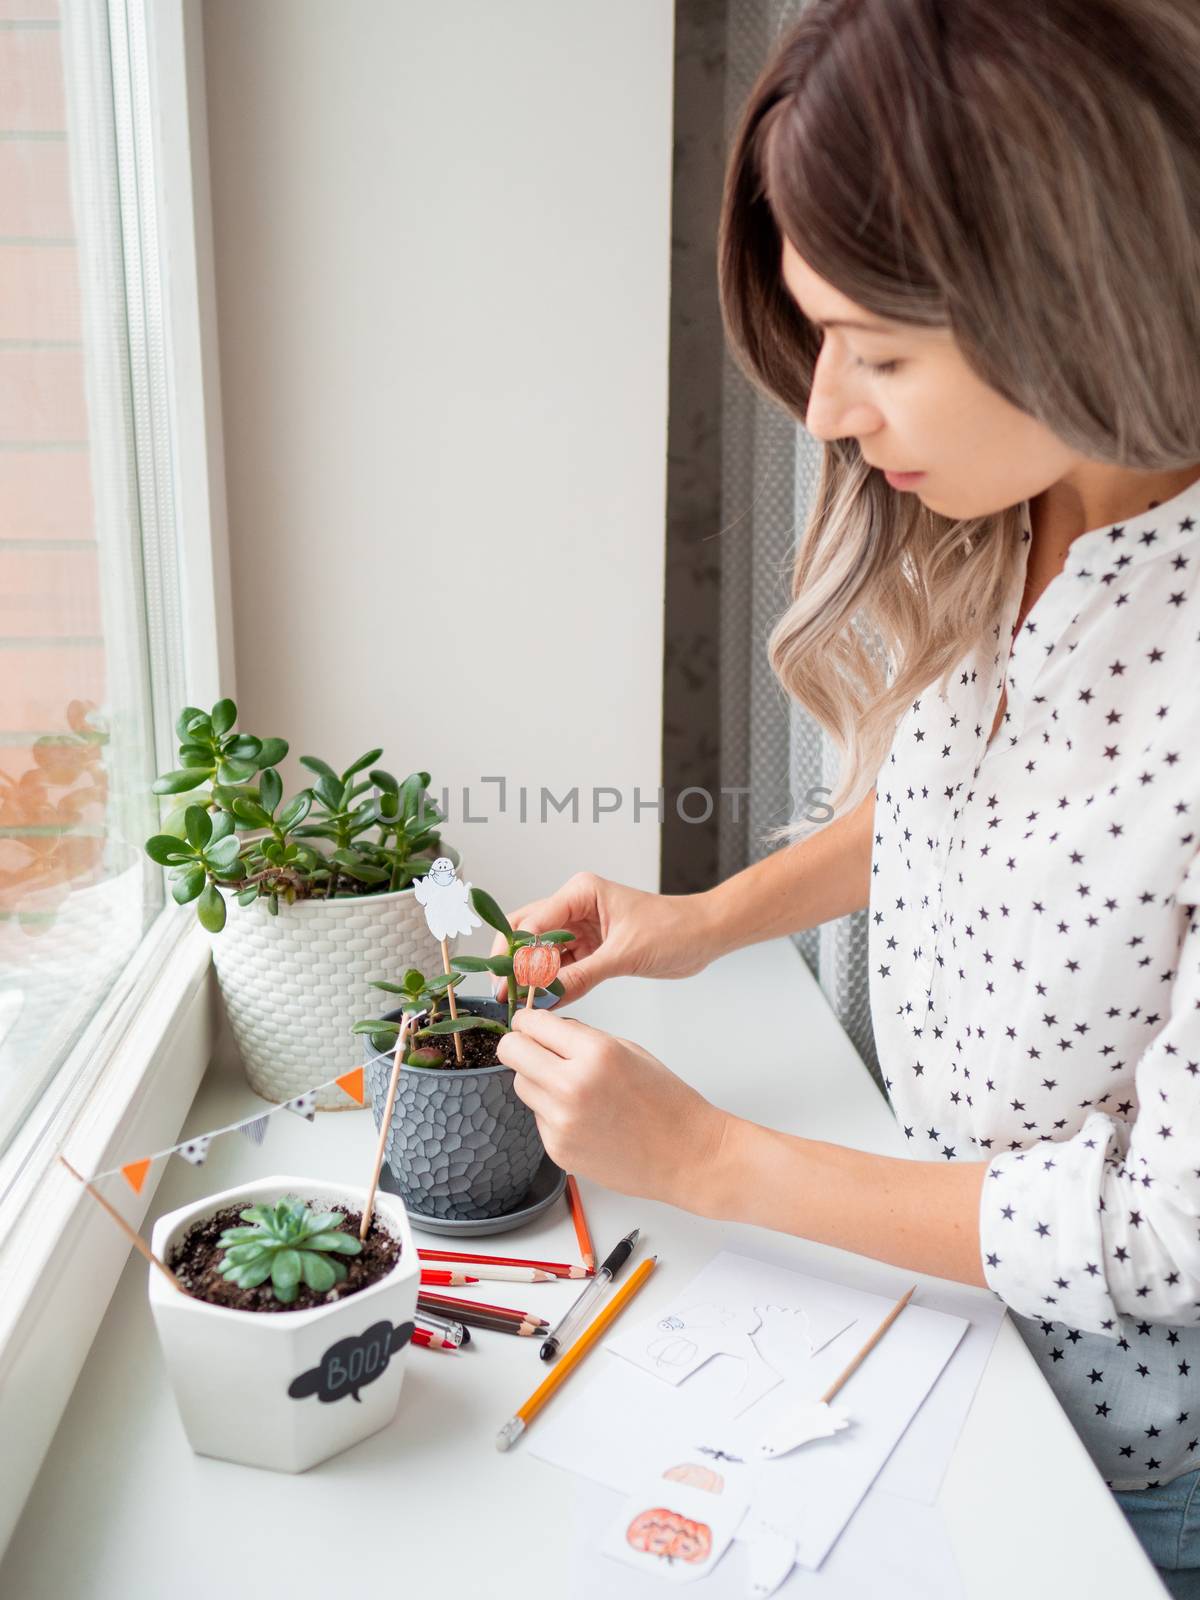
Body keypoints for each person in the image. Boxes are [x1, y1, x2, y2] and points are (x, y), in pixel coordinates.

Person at [493, 1, 1200, 1590]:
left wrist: (706, 1160)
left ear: (1080, 301)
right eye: (822, 338)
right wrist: (704, 921)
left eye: (880, 353)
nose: (824, 408)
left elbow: (1166, 1234)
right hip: (923, 1328)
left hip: (1118, 1464)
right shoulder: (992, 511)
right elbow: (976, 826)